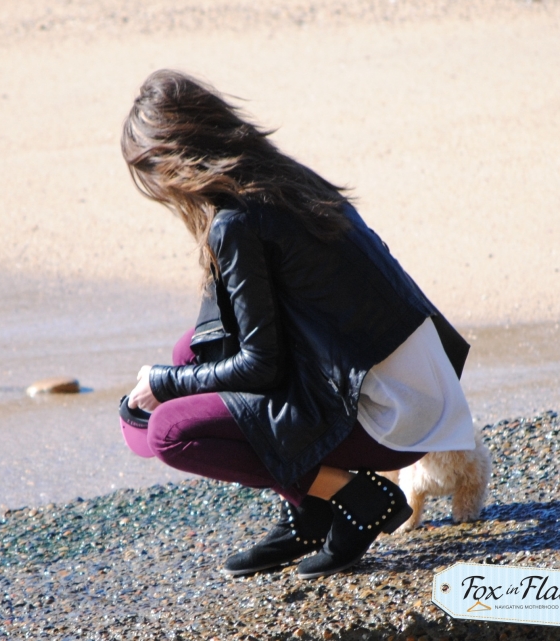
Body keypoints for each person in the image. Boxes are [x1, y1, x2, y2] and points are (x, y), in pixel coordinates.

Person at [120, 70, 476, 579]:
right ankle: (310, 511)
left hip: (389, 417)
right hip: (420, 387)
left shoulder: (236, 221)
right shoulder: (279, 177)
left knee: (168, 432)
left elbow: (262, 365)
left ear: (172, 159)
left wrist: (163, 384)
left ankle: (356, 497)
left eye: (151, 171)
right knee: (189, 352)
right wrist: (176, 374)